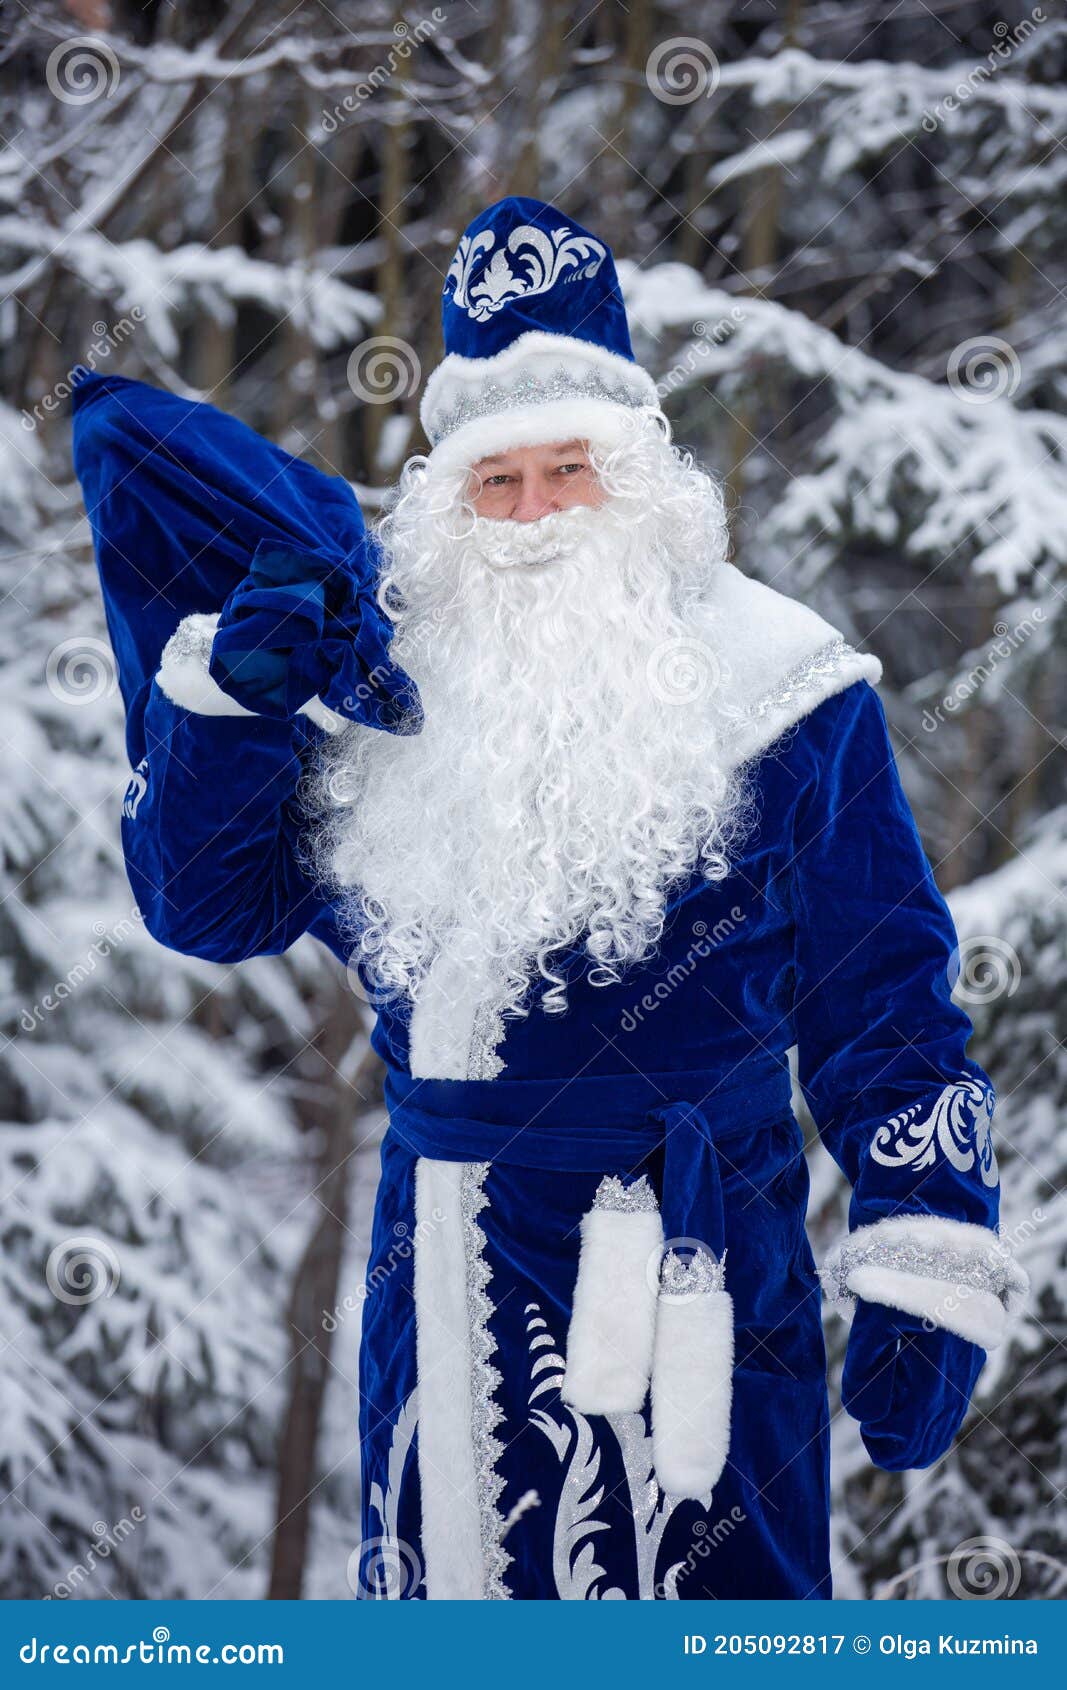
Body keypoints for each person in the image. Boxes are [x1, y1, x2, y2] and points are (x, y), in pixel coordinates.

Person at [73, 196, 1027, 1602]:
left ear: (634, 475)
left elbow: (887, 1000)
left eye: (565, 471)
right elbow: (208, 908)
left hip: (687, 1285)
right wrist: (232, 706)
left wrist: (924, 1243)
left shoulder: (785, 689)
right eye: (494, 481)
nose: (529, 517)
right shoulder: (385, 685)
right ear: (450, 495)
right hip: (436, 1276)